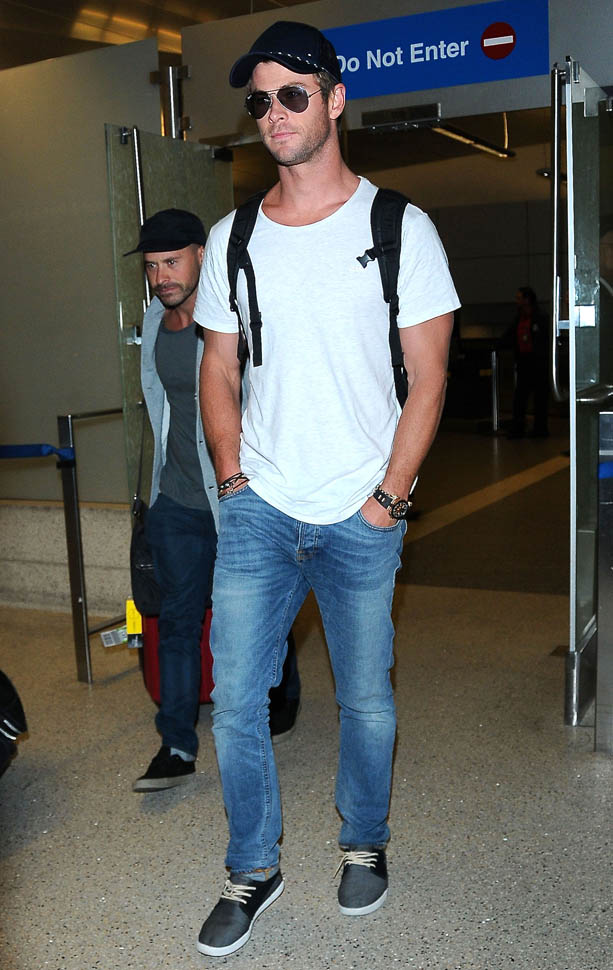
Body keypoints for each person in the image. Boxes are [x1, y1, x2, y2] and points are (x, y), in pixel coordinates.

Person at [194, 21, 460, 958]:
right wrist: (233, 478)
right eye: (259, 98)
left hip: (360, 510)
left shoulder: (399, 228)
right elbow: (218, 367)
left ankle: (363, 843)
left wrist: (389, 497)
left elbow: (429, 377)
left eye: (293, 93)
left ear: (336, 100)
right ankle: (251, 869)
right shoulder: (232, 239)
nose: (273, 112)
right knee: (235, 701)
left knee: (366, 702)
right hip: (260, 508)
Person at [124, 209, 300, 794]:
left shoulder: (234, 320)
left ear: (202, 255)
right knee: (176, 620)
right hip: (176, 498)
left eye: (172, 262)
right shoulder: (155, 321)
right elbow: (161, 406)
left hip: (238, 494)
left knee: (252, 611)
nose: (162, 278)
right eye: (153, 267)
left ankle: (280, 691)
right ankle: (176, 743)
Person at [505, 286, 550, 438]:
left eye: (519, 298)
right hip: (524, 361)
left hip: (538, 362)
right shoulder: (519, 318)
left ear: (527, 299)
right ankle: (518, 427)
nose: (517, 301)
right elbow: (510, 335)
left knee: (540, 398)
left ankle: (540, 429)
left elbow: (544, 340)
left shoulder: (540, 317)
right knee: (520, 397)